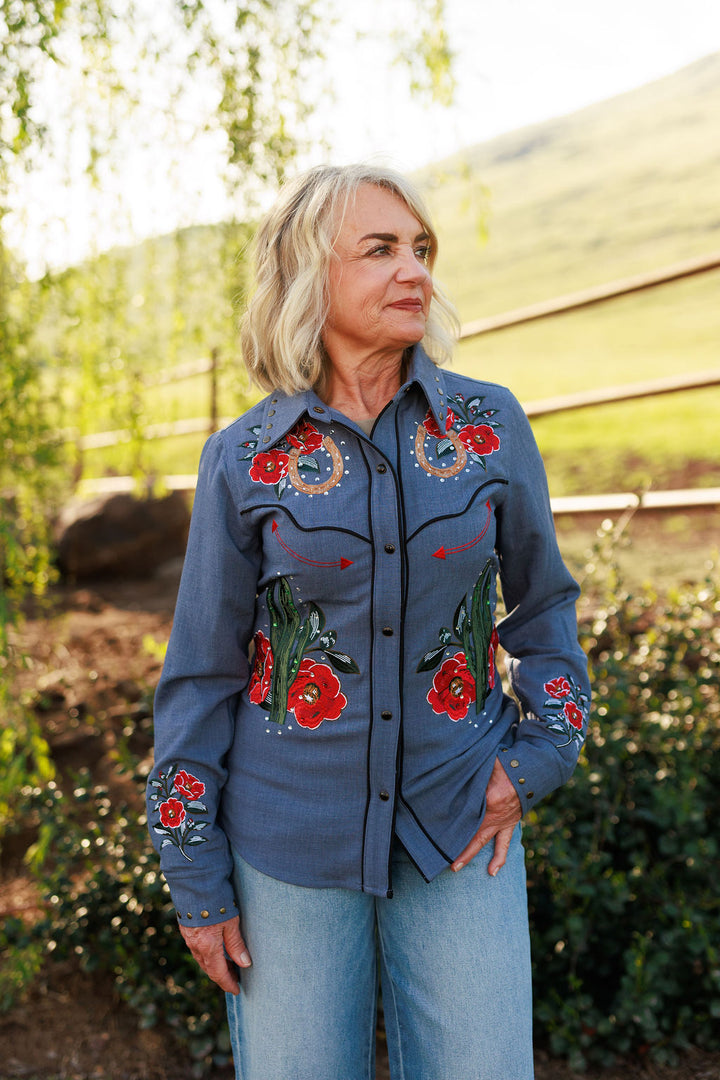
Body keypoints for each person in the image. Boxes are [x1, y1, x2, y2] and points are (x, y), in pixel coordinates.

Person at [147, 163, 591, 1080]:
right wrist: (194, 876)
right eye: (381, 249)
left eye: (421, 248)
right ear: (310, 275)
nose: (414, 271)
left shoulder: (489, 426)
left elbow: (544, 605)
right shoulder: (244, 460)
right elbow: (201, 674)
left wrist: (538, 757)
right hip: (284, 844)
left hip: (461, 825)